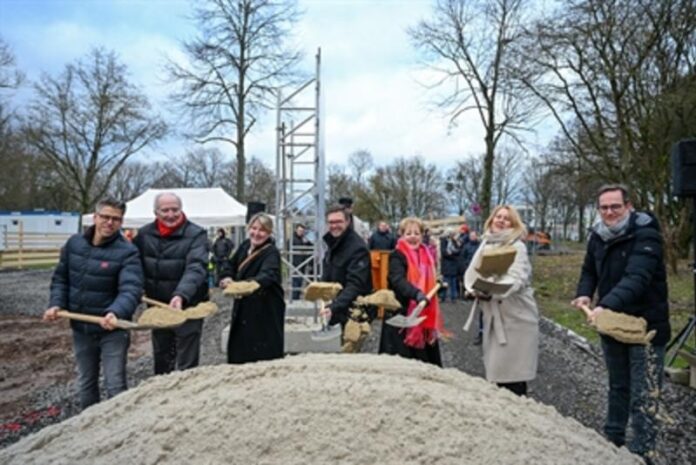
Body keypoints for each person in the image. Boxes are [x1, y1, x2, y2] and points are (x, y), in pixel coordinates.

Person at [571, 184, 670, 462]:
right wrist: (583, 293)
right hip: (612, 324)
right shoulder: (598, 236)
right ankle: (612, 443)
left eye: (615, 206)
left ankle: (643, 452)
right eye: (604, 207)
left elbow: (637, 278)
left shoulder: (646, 233)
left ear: (628, 206)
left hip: (645, 327)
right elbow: (589, 270)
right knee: (617, 386)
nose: (609, 212)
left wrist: (604, 305)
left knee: (644, 394)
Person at [43, 198, 143, 409]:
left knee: (115, 384)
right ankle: (87, 429)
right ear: (95, 217)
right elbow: (61, 279)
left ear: (121, 221)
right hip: (81, 328)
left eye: (116, 219)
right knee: (86, 382)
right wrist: (56, 304)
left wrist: (116, 312)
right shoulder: (74, 244)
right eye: (105, 217)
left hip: (112, 328)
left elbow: (131, 289)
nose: (110, 222)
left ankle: (120, 430)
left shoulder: (128, 251)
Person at [463, 205, 539, 396]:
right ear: (491, 219)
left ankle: (519, 416)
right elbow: (474, 271)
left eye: (507, 219)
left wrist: (492, 291)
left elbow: (517, 278)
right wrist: (472, 289)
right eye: (499, 216)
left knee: (513, 375)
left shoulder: (517, 246)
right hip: (493, 315)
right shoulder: (486, 244)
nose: (501, 220)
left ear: (514, 225)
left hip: (515, 316)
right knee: (496, 372)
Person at [133, 192, 209, 374]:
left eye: (175, 209)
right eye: (164, 210)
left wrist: (181, 294)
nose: (170, 214)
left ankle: (186, 395)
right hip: (158, 305)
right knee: (162, 355)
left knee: (187, 362)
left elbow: (196, 267)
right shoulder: (144, 235)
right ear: (156, 212)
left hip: (189, 305)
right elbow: (133, 265)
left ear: (181, 210)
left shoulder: (196, 234)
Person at [220, 213, 285, 364]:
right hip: (244, 306)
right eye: (254, 228)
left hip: (265, 308)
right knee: (241, 346)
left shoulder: (271, 253)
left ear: (269, 233)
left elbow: (268, 275)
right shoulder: (244, 246)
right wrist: (227, 277)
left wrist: (241, 286)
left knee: (262, 350)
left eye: (262, 230)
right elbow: (230, 264)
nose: (256, 233)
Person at [379, 217, 444, 366]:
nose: (413, 236)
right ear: (401, 235)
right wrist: (416, 294)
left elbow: (431, 279)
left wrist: (436, 286)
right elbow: (397, 280)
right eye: (408, 233)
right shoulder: (397, 255)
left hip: (424, 313)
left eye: (416, 233)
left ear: (422, 235)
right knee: (402, 363)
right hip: (401, 313)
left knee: (427, 362)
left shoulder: (427, 255)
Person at [319, 204, 372, 328]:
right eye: (331, 222)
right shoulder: (333, 243)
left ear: (348, 222)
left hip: (354, 311)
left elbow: (356, 284)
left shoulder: (357, 248)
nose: (334, 226)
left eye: (339, 222)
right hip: (337, 309)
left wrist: (335, 306)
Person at [460, 231, 482, 344]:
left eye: (474, 235)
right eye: (471, 236)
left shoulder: (480, 246)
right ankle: (481, 333)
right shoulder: (466, 246)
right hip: (469, 269)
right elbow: (462, 257)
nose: (473, 237)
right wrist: (465, 267)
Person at [290, 223, 313, 300]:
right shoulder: (293, 239)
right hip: (295, 264)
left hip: (302, 264)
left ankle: (297, 297)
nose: (301, 232)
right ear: (296, 230)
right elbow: (296, 246)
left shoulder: (303, 239)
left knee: (299, 283)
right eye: (300, 230)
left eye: (302, 231)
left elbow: (311, 246)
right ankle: (295, 298)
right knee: (296, 283)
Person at [440, 229, 462, 302]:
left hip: (453, 265)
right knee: (445, 282)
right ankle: (443, 296)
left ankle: (453, 297)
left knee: (453, 281)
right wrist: (453, 255)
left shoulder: (454, 241)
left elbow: (459, 250)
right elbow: (444, 253)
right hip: (446, 265)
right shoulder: (444, 241)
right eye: (451, 233)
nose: (452, 235)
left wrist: (452, 254)